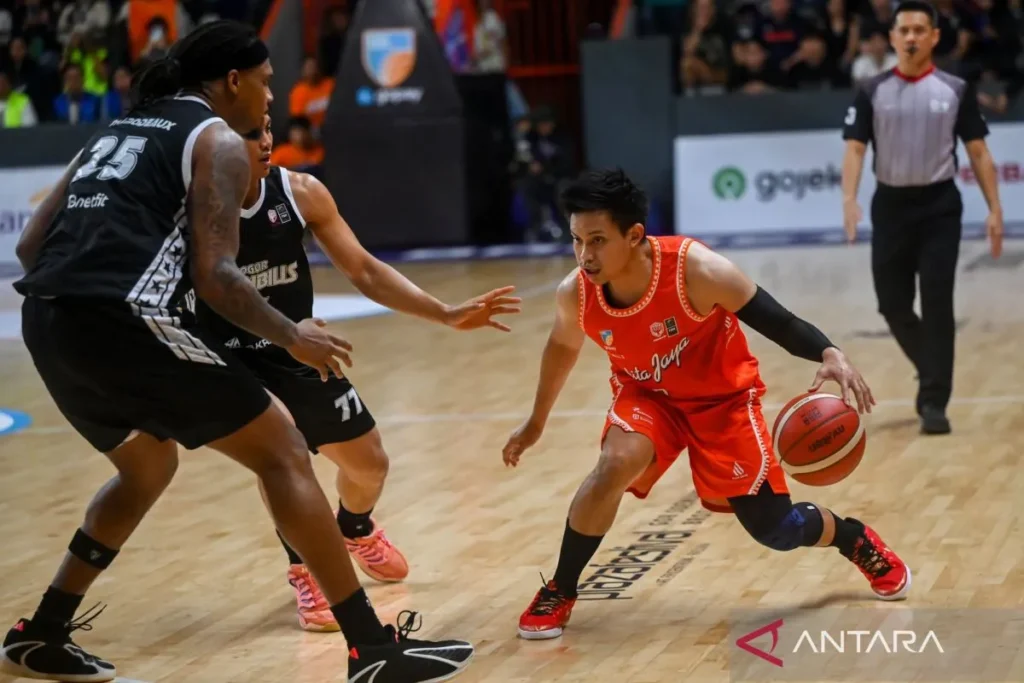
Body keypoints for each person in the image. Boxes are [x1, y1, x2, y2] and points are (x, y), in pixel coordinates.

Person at [2, 20, 473, 683]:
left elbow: (30, 249)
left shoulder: (114, 131)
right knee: (283, 449)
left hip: (46, 320)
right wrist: (292, 334)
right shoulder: (216, 138)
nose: (270, 98)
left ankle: (43, 630)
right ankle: (371, 649)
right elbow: (216, 276)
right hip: (123, 318)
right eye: (266, 82)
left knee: (146, 468)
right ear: (232, 81)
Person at [502, 168, 910, 641]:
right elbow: (561, 348)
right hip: (649, 398)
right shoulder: (576, 293)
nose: (584, 255)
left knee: (775, 529)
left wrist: (829, 352)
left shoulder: (695, 270)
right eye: (577, 240)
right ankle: (561, 588)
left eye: (597, 240)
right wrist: (536, 422)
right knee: (614, 465)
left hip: (723, 402)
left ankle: (852, 537)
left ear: (634, 235)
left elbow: (777, 320)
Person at [186, 114, 521, 632]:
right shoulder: (195, 207)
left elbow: (363, 269)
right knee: (282, 452)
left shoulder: (300, 192)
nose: (267, 140)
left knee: (370, 465)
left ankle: (354, 527)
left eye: (269, 128)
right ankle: (305, 570)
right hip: (229, 357)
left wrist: (446, 313)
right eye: (253, 134)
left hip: (298, 349)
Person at [841, 0, 1003, 435]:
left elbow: (979, 152)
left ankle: (934, 400)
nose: (911, 37)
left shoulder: (954, 89)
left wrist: (994, 209)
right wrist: (849, 198)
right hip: (891, 206)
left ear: (934, 37)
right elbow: (855, 148)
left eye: (919, 30)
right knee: (891, 303)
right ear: (893, 38)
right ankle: (932, 366)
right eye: (904, 30)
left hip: (939, 207)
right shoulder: (872, 90)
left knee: (936, 300)